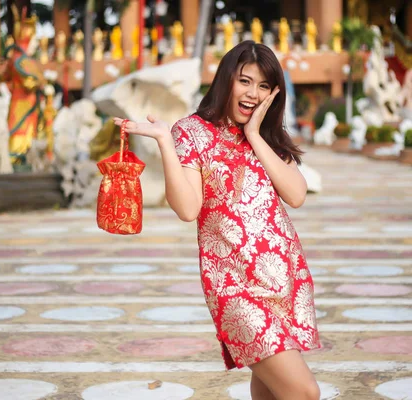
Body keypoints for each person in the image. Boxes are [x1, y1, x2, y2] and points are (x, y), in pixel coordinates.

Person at [114, 40, 321, 400]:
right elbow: (187, 209)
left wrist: (255, 135)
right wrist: (165, 142)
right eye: (245, 81)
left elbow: (297, 195)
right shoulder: (193, 132)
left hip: (283, 280)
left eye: (263, 86)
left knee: (271, 393)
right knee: (304, 393)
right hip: (235, 289)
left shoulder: (267, 137)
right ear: (227, 79)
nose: (252, 94)